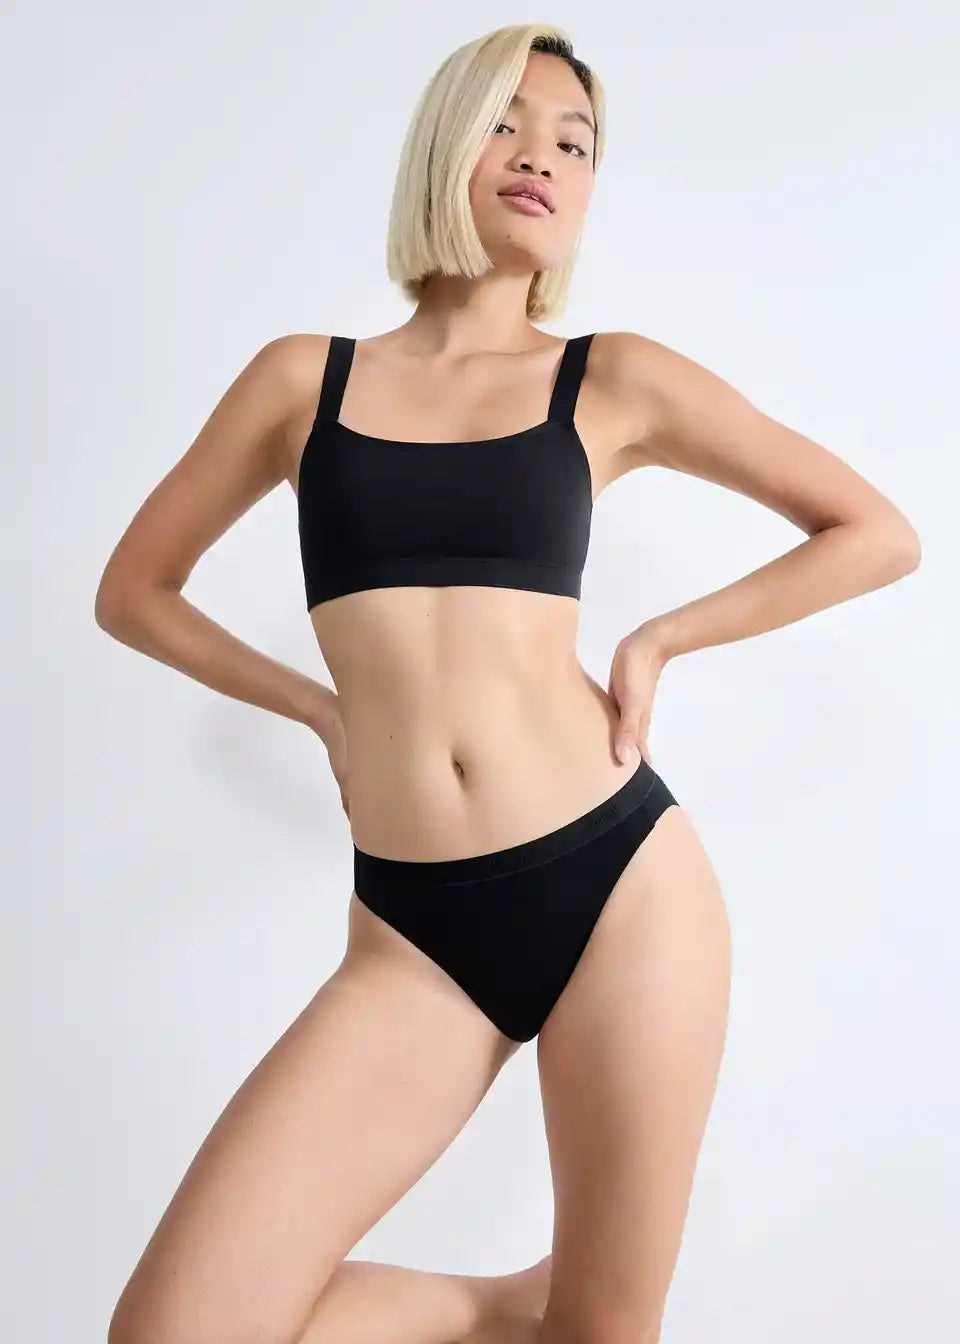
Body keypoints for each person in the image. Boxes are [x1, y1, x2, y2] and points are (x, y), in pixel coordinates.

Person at [95, 22, 921, 1344]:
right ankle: (495, 1309)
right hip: (414, 937)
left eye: (574, 143)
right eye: (506, 123)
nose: (541, 157)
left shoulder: (610, 377)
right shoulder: (305, 380)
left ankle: (557, 1314)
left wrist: (662, 640)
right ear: (445, 146)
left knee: (604, 1333)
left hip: (619, 886)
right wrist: (317, 707)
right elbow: (134, 589)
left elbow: (874, 532)